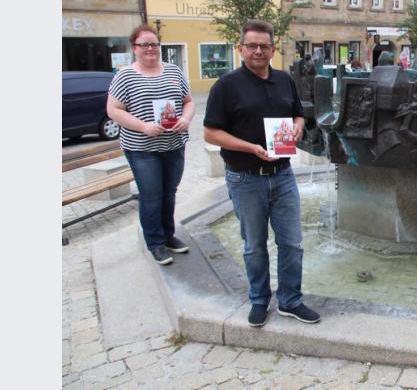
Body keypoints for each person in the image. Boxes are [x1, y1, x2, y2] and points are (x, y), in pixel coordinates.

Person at [203, 19, 320, 327]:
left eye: (264, 46)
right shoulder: (226, 86)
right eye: (252, 45)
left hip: (282, 174)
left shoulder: (284, 79)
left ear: (272, 48)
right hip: (245, 177)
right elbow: (211, 133)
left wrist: (298, 126)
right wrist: (250, 147)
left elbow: (298, 113)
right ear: (240, 48)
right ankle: (259, 299)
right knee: (254, 245)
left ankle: (290, 300)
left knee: (292, 243)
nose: (258, 51)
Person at [107, 25, 195, 265]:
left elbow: (188, 101)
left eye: (154, 44)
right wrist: (143, 126)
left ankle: (168, 236)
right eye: (144, 44)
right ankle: (155, 243)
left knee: (169, 193)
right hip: (142, 148)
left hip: (174, 144)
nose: (150, 49)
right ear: (135, 48)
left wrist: (186, 119)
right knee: (152, 196)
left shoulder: (174, 71)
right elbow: (113, 110)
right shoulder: (125, 76)